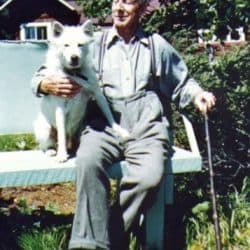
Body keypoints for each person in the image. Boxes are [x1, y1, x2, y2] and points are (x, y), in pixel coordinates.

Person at [32, 0, 216, 249]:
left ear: (140, 9)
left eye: (128, 2)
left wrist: (197, 96)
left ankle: (109, 236)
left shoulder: (155, 45)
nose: (119, 8)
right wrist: (43, 84)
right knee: (87, 162)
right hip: (104, 123)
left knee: (148, 177)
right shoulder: (91, 42)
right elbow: (49, 68)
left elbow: (182, 82)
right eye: (115, 1)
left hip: (146, 124)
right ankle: (88, 245)